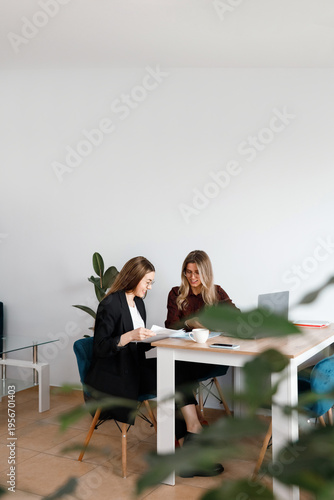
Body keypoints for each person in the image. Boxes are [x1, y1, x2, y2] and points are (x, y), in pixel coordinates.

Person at [85, 255, 223, 477]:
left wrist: (155, 338)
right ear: (134, 278)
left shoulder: (138, 302)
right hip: (115, 374)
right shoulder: (109, 304)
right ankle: (192, 438)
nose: (149, 287)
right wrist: (129, 336)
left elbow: (138, 344)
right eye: (147, 282)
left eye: (151, 282)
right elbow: (100, 348)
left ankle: (188, 444)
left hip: (134, 366)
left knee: (180, 369)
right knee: (175, 377)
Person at [165, 250, 237, 424]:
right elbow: (170, 326)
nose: (192, 277)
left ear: (206, 272)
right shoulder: (176, 293)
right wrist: (190, 323)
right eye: (188, 272)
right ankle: (194, 423)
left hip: (211, 358)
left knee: (174, 371)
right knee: (174, 367)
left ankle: (188, 425)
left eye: (197, 272)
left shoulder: (216, 292)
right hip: (184, 355)